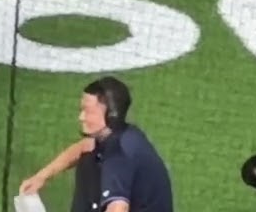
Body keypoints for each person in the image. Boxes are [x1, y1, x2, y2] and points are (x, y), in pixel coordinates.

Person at [20, 76, 173, 212]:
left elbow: (118, 208)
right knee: (88, 159)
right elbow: (83, 147)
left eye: (88, 111)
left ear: (111, 115)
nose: (81, 117)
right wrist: (42, 176)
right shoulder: (121, 134)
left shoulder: (118, 155)